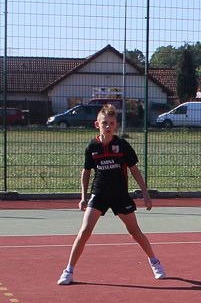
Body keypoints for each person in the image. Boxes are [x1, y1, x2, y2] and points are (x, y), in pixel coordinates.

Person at [57, 104, 166, 285]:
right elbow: (86, 173)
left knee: (135, 232)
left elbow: (135, 171)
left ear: (116, 126)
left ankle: (155, 262)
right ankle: (68, 271)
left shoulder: (122, 145)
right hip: (99, 194)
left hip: (120, 196)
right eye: (104, 123)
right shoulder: (92, 147)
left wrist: (145, 194)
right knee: (84, 232)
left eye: (112, 123)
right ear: (97, 124)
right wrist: (83, 196)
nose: (108, 126)